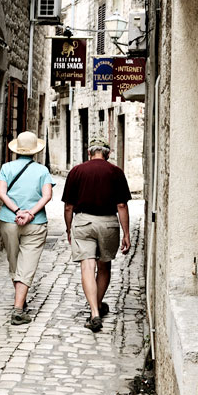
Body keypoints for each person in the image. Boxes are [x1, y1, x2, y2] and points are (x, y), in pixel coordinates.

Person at [63, 136, 132, 332]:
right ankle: (98, 305)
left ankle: (94, 312)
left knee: (87, 267)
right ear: (108, 153)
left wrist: (69, 229)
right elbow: (121, 205)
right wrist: (126, 233)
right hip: (108, 223)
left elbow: (69, 206)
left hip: (83, 222)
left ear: (89, 152)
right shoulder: (116, 172)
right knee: (104, 267)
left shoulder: (77, 171)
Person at [0, 130, 55, 325]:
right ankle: (18, 309)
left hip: (9, 221)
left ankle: (19, 302)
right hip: (35, 223)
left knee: (14, 262)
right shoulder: (42, 171)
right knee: (27, 265)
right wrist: (30, 213)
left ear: (16, 150)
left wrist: (17, 210)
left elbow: (1, 193)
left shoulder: (6, 167)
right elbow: (47, 196)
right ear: (35, 151)